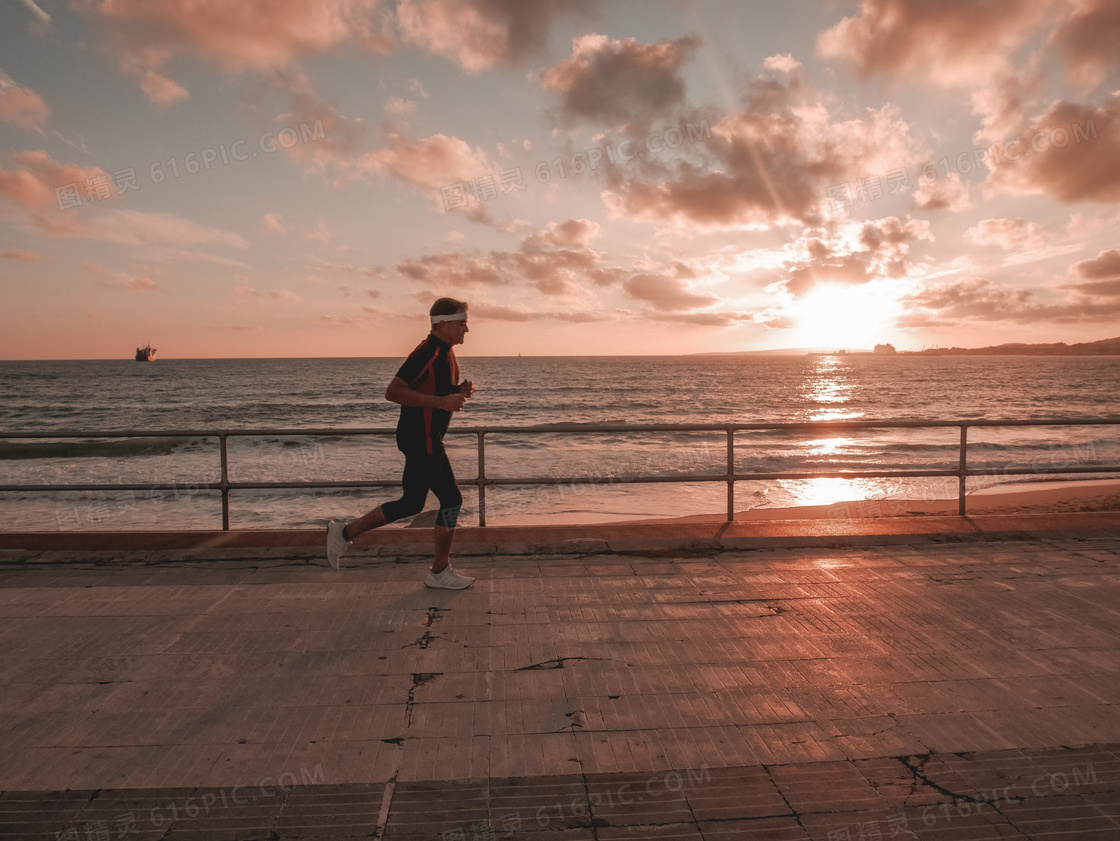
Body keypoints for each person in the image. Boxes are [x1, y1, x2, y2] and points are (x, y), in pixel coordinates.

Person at [326, 297, 475, 588]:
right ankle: (439, 572)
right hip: (423, 440)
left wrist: (457, 391)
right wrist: (442, 402)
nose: (466, 330)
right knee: (451, 500)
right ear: (442, 324)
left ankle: (343, 533)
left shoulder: (444, 351)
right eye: (462, 323)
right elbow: (393, 391)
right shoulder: (428, 351)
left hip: (422, 439)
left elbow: (433, 391)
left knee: (411, 503)